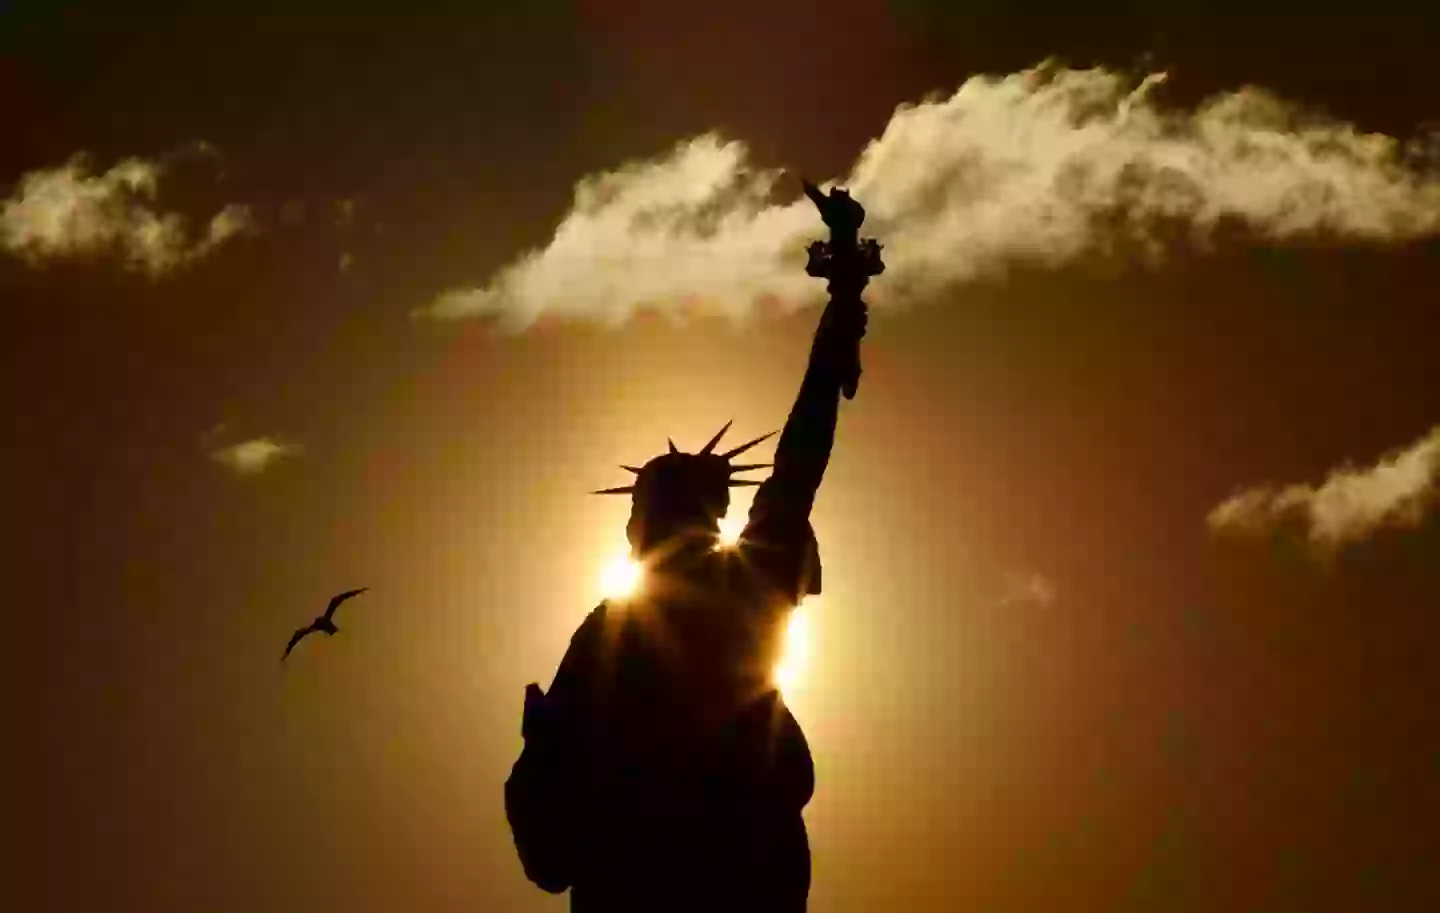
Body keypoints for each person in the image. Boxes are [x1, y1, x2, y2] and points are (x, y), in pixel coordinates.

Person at [503, 203, 870, 913]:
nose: (631, 527)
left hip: (704, 866)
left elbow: (800, 459)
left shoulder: (708, 597)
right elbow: (552, 777)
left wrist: (842, 308)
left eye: (639, 511)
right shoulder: (636, 618)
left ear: (664, 519)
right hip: (665, 871)